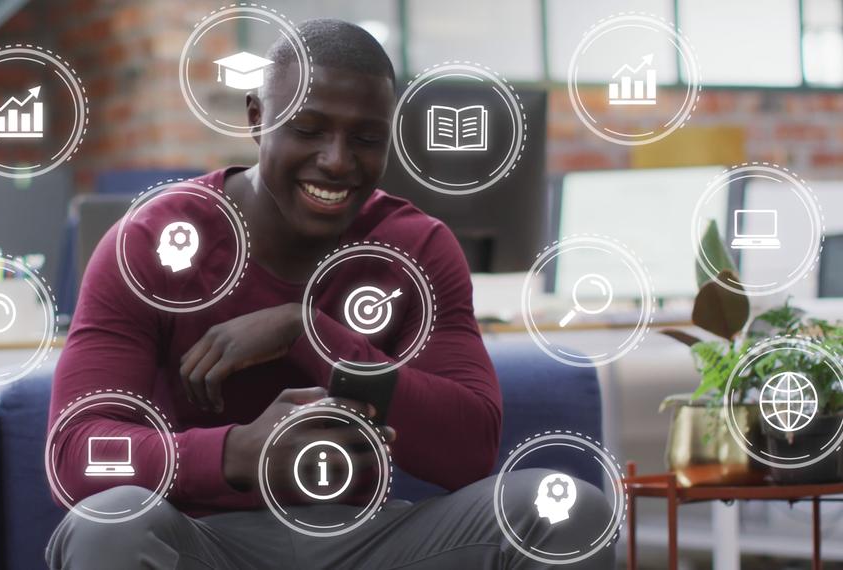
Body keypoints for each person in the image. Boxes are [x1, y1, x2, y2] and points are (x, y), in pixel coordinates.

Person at [46, 18, 615, 569]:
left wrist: (309, 334)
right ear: (257, 118)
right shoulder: (153, 242)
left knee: (562, 511)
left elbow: (470, 450)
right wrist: (240, 452)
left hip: (370, 537)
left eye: (365, 138)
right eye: (308, 129)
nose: (338, 161)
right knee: (108, 522)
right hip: (206, 542)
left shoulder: (414, 248)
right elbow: (76, 451)